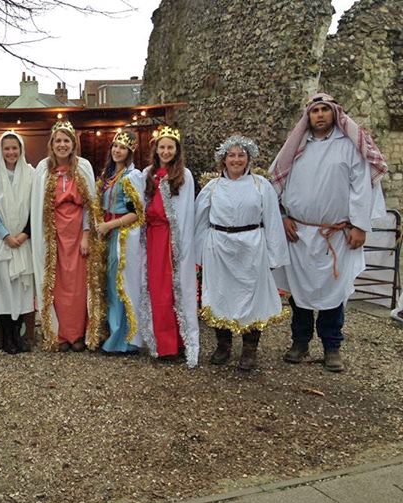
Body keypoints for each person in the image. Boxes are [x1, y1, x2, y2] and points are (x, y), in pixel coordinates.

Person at [270, 92, 388, 372]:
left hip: (337, 235)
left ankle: (332, 347)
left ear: (334, 113)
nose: (320, 115)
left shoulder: (348, 147)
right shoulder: (296, 147)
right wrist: (283, 217)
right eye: (315, 110)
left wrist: (360, 225)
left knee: (333, 294)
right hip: (298, 233)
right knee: (299, 294)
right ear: (308, 116)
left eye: (324, 109)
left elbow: (361, 188)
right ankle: (299, 342)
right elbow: (276, 185)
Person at [195, 135, 289, 370]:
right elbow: (199, 221)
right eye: (231, 155)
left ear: (248, 158)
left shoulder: (261, 186)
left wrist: (274, 255)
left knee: (252, 297)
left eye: (241, 155)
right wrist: (200, 253)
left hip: (251, 248)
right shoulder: (212, 188)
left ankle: (249, 349)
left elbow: (272, 220)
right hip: (219, 248)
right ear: (223, 160)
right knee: (219, 295)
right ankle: (223, 345)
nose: (236, 160)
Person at [30, 120, 104, 352]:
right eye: (58, 141)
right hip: (53, 236)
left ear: (74, 144)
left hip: (77, 234)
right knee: (57, 284)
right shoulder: (43, 168)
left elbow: (89, 206)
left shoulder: (83, 167)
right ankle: (60, 334)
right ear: (51, 144)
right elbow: (37, 205)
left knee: (78, 284)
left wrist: (85, 235)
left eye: (66, 141)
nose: (62, 145)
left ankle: (78, 334)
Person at [139, 127, 199, 367]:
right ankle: (161, 343)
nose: (165, 151)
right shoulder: (147, 174)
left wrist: (181, 244)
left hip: (172, 239)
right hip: (153, 238)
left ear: (177, 150)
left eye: (170, 147)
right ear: (156, 149)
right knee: (157, 290)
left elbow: (186, 212)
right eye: (162, 147)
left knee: (176, 290)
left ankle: (179, 342)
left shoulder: (184, 175)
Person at [0, 131, 35, 354]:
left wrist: (24, 234)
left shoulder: (31, 174)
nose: (11, 152)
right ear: (0, 151)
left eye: (15, 148)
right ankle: (6, 338)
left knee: (21, 289)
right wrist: (5, 235)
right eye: (7, 148)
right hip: (1, 241)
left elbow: (36, 207)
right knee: (3, 289)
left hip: (22, 240)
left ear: (21, 150)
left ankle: (19, 336)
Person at [95, 131, 144, 354]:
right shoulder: (109, 174)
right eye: (115, 146)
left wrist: (109, 226)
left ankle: (122, 338)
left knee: (119, 286)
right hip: (107, 234)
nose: (117, 151)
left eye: (122, 148)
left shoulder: (132, 177)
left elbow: (137, 213)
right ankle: (111, 332)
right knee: (108, 285)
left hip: (121, 237)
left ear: (130, 152)